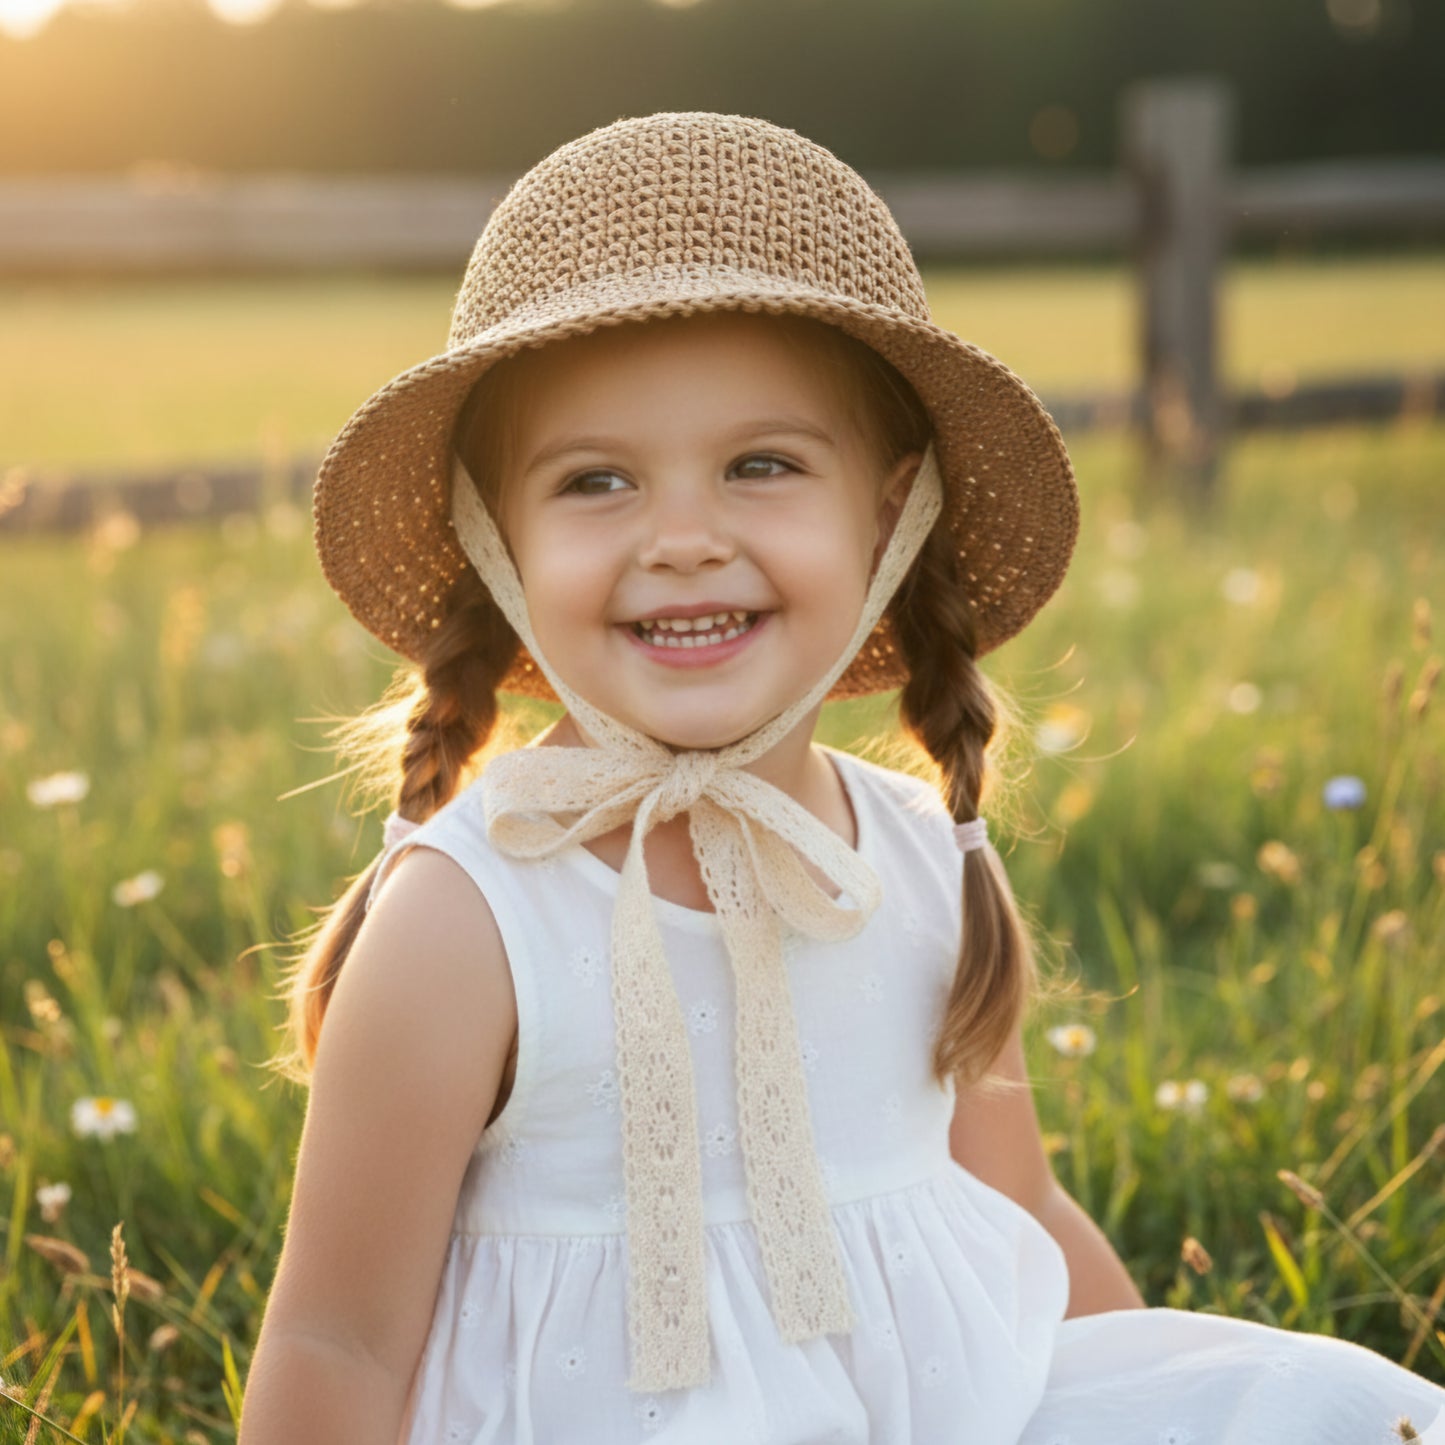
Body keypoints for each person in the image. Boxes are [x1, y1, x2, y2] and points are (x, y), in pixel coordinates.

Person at [239, 113, 1445, 1445]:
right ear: (497, 544)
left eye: (760, 465)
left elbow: (1022, 1212)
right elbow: (335, 1335)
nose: (683, 539)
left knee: (1307, 1403)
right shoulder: (468, 919)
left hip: (934, 1411)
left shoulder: (918, 854)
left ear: (888, 512)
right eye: (595, 481)